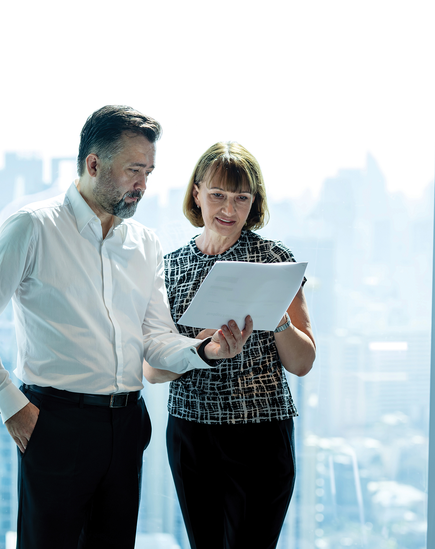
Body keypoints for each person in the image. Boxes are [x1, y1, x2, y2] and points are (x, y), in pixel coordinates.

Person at [0, 106, 254, 549]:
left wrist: (205, 351)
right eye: (134, 171)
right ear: (93, 164)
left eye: (148, 172)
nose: (143, 186)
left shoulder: (144, 242)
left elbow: (155, 339)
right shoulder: (32, 228)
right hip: (54, 422)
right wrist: (11, 405)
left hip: (127, 425)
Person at [144, 141, 316, 549]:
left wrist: (278, 321)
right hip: (191, 433)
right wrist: (201, 348)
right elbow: (152, 371)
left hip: (261, 434)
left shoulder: (275, 260)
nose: (229, 208)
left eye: (242, 197)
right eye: (218, 194)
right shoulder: (168, 267)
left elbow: (303, 361)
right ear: (197, 193)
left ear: (254, 202)